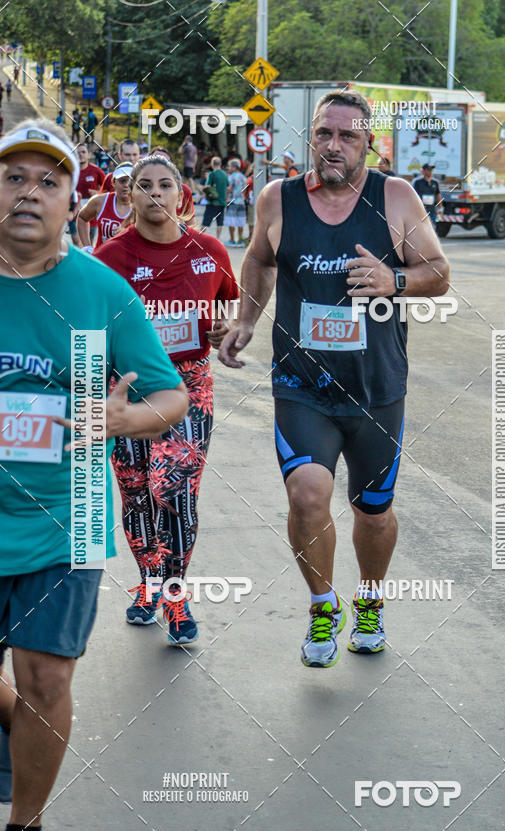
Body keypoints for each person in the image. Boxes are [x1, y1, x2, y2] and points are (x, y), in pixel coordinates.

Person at [0, 118, 188, 831]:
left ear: (75, 203)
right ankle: (16, 730)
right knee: (24, 700)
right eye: (14, 177)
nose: (29, 193)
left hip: (68, 512)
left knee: (46, 680)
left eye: (49, 182)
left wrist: (125, 420)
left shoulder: (103, 291)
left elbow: (172, 395)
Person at [218, 89, 450, 667]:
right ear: (312, 138)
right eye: (324, 133)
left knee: (373, 510)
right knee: (307, 493)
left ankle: (368, 601)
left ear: (368, 141)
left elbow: (439, 273)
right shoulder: (280, 198)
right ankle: (324, 607)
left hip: (376, 388)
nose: (334, 144)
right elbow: (259, 259)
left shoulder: (394, 197)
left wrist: (394, 280)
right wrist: (247, 319)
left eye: (348, 135)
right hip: (302, 387)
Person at [95, 154, 238, 644]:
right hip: (129, 389)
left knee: (172, 488)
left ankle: (176, 594)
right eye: (144, 185)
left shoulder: (210, 250)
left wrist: (223, 331)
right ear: (129, 196)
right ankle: (150, 579)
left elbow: (226, 308)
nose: (155, 193)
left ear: (181, 194)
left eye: (165, 185)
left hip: (190, 384)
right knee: (135, 493)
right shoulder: (109, 258)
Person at [76, 162, 132, 250]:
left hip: (130, 261)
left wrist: (127, 235)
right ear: (113, 182)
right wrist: (87, 246)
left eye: (130, 181)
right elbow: (82, 218)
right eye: (122, 181)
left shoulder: (142, 206)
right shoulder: (100, 201)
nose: (126, 185)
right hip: (102, 260)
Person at [201, 155, 227, 240]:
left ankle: (200, 238)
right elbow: (228, 187)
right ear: (220, 164)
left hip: (212, 202)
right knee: (220, 222)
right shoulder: (224, 174)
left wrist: (203, 190)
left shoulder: (212, 174)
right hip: (222, 202)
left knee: (206, 221)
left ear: (212, 164)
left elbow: (207, 186)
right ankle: (218, 239)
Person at [225, 158, 247, 247]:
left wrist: (226, 197)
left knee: (231, 221)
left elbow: (229, 188)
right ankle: (240, 240)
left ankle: (232, 240)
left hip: (232, 201)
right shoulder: (243, 177)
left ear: (234, 167)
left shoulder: (231, 177)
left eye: (229, 167)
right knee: (240, 221)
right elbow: (245, 189)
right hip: (241, 201)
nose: (228, 168)